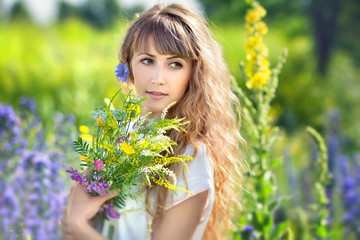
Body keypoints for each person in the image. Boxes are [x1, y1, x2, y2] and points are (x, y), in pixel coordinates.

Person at [61, 3, 243, 240]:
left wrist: (79, 226)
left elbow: (76, 224)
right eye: (147, 60)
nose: (158, 79)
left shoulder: (191, 157)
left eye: (175, 64)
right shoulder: (120, 135)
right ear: (129, 65)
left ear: (194, 73)